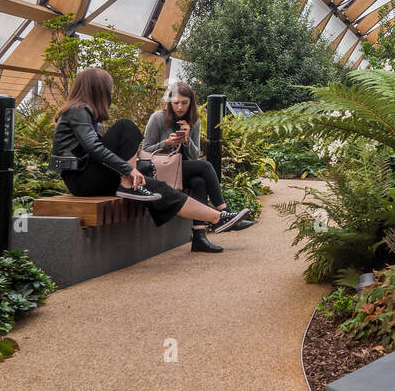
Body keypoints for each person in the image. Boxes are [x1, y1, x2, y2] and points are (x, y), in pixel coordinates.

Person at [50, 68, 248, 253]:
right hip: (81, 180)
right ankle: (129, 185)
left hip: (92, 177)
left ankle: (218, 217)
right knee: (126, 126)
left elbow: (98, 151)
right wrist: (129, 169)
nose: (111, 92)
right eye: (109, 87)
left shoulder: (90, 116)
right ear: (97, 89)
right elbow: (94, 149)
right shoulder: (77, 111)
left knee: (158, 188)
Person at [142, 82, 254, 241]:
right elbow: (145, 149)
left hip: (182, 170)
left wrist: (187, 140)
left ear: (191, 103)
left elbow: (194, 156)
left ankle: (199, 238)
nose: (180, 107)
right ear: (169, 102)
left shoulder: (194, 121)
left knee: (199, 181)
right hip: (160, 171)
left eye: (184, 103)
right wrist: (166, 144)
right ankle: (224, 212)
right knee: (206, 165)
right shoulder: (158, 118)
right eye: (176, 103)